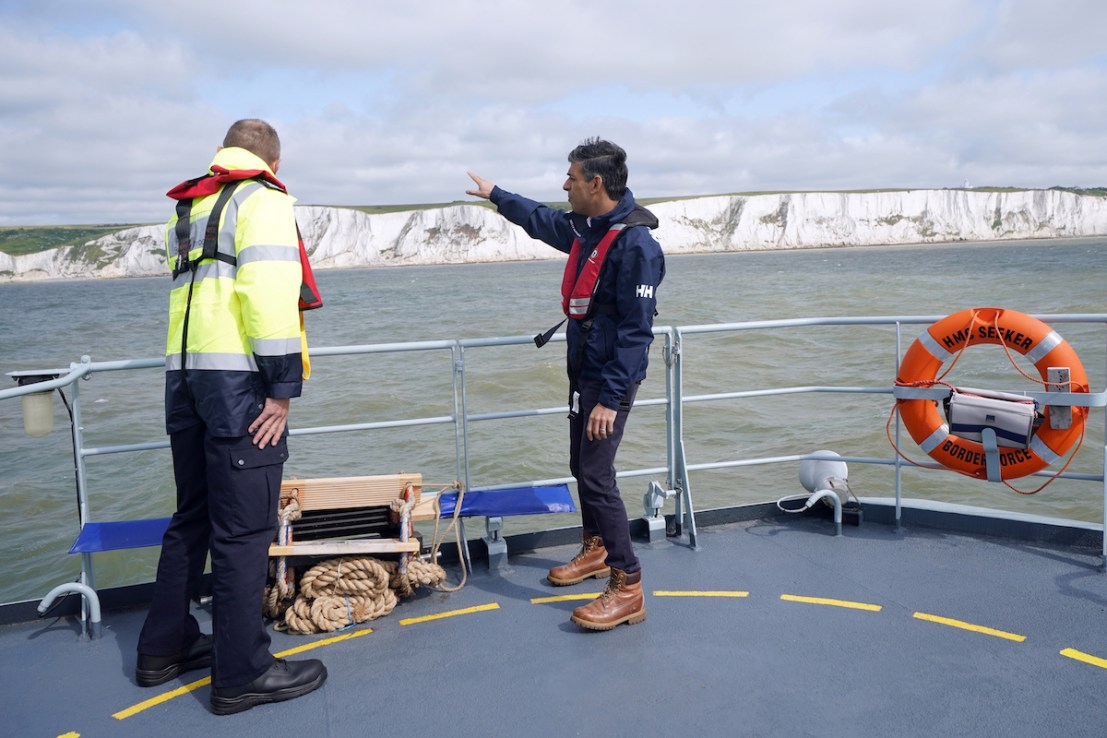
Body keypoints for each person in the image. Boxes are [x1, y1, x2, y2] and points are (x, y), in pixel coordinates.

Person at [135, 119, 327, 715]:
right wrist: (282, 388)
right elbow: (266, 297)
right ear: (272, 157)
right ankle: (242, 673)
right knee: (243, 534)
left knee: (191, 517)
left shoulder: (189, 208)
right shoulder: (263, 199)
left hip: (185, 381)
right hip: (240, 388)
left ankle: (161, 650)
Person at [466, 138, 665, 630]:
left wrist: (612, 402)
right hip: (585, 372)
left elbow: (638, 333)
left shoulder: (636, 246)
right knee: (581, 465)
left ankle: (629, 584)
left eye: (571, 178)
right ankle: (596, 550)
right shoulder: (588, 228)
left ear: (596, 183)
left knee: (597, 475)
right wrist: (496, 194)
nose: (564, 185)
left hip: (609, 381)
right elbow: (541, 219)